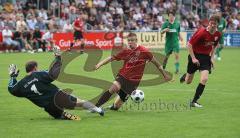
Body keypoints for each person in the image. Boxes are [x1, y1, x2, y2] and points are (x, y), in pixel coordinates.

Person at [8, 47, 104, 120]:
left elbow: (12, 89)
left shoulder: (21, 84)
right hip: (58, 96)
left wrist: (13, 76)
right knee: (79, 102)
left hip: (48, 107)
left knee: (61, 116)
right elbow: (53, 73)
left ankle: (71, 117)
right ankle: (98, 109)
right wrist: (58, 58)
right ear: (35, 68)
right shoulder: (39, 74)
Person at [94, 32, 170, 110]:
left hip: (134, 82)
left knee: (116, 106)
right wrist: (100, 64)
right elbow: (111, 58)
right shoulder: (125, 51)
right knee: (113, 88)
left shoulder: (144, 51)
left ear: (136, 40)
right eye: (129, 40)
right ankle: (96, 107)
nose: (130, 42)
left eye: (132, 40)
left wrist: (165, 75)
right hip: (123, 76)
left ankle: (113, 106)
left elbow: (157, 63)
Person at [180, 14, 222, 108]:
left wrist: (211, 58)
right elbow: (189, 44)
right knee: (188, 81)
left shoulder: (218, 34)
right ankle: (185, 76)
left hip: (205, 58)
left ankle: (194, 101)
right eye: (211, 23)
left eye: (214, 24)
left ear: (217, 25)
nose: (212, 25)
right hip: (194, 56)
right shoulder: (202, 32)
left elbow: (215, 45)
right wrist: (194, 58)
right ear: (209, 23)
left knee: (204, 79)